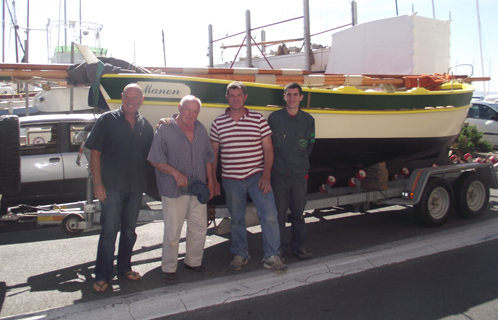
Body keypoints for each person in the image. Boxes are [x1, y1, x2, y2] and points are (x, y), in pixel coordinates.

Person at [210, 81, 287, 273]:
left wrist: (266, 175)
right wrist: (213, 180)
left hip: (257, 176)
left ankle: (272, 255)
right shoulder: (218, 123)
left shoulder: (258, 119)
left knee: (269, 215)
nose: (235, 99)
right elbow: (213, 155)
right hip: (231, 179)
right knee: (236, 218)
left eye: (239, 95)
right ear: (227, 98)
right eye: (231, 95)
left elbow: (268, 149)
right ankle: (240, 254)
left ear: (245, 97)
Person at [85, 83, 154, 294]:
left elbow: (152, 156)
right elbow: (95, 153)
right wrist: (97, 184)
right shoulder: (107, 120)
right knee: (108, 231)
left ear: (142, 100)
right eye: (127, 97)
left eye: (135, 98)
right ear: (122, 97)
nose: (131, 101)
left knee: (129, 231)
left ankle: (125, 268)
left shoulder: (146, 125)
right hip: (112, 187)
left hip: (135, 188)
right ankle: (103, 274)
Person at [148, 95, 215, 284]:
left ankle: (193, 262)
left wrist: (211, 182)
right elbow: (154, 159)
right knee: (172, 231)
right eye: (188, 109)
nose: (191, 114)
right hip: (173, 188)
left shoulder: (200, 129)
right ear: (179, 107)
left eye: (195, 111)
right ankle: (169, 268)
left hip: (198, 187)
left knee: (199, 228)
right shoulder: (165, 129)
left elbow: (209, 157)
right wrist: (175, 173)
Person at [268, 82, 315, 260]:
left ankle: (298, 246)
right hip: (279, 175)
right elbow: (269, 147)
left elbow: (309, 146)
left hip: (298, 175)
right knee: (278, 215)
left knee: (298, 214)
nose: (292, 98)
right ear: (284, 96)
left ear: (301, 97)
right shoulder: (274, 119)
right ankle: (279, 247)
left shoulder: (308, 121)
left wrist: (299, 165)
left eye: (295, 95)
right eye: (289, 94)